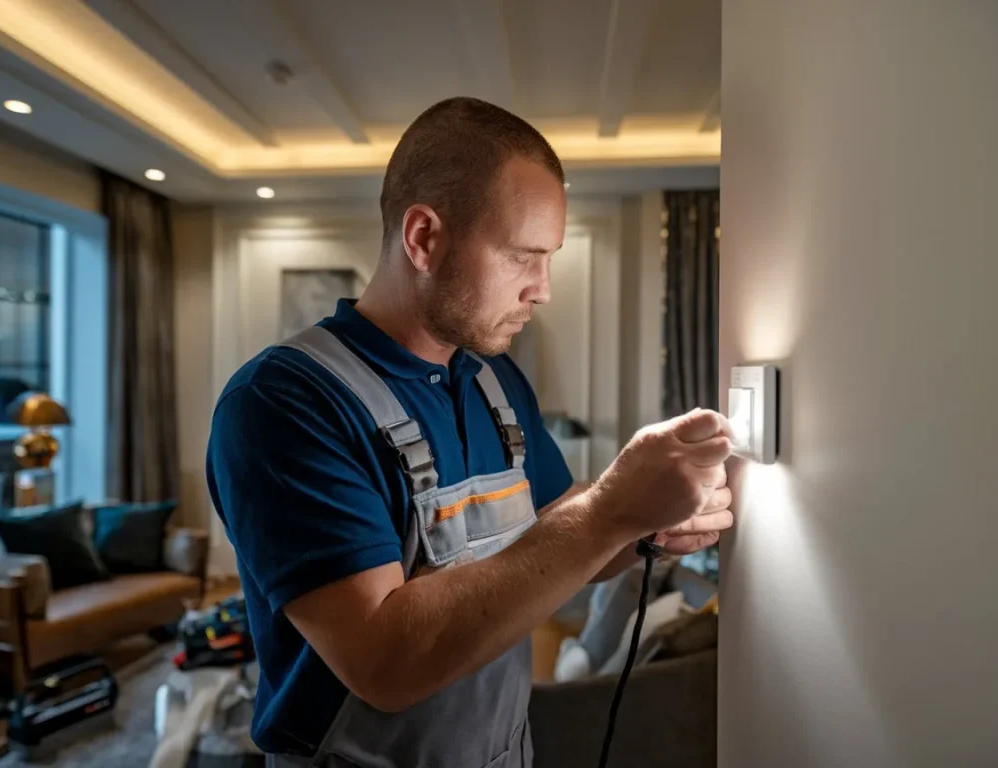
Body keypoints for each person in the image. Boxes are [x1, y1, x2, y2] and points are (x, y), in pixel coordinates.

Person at [206, 96, 734, 768]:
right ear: (424, 237)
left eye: (550, 259)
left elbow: (564, 543)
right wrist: (611, 510)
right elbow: (386, 661)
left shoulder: (493, 381)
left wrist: (649, 525)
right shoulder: (283, 404)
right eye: (522, 256)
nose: (541, 289)